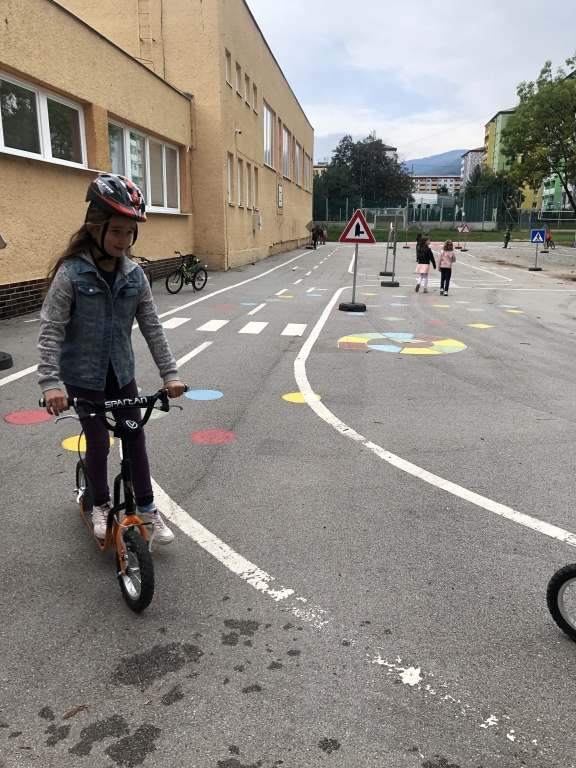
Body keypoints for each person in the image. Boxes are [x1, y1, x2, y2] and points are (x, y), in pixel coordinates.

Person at [38, 174, 186, 544]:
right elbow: (51, 329)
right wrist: (50, 383)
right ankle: (101, 503)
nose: (124, 240)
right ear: (94, 228)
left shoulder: (135, 276)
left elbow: (152, 328)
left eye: (130, 232)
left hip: (121, 373)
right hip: (82, 376)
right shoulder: (71, 274)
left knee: (135, 434)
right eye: (116, 231)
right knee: (99, 441)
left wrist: (170, 374)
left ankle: (147, 507)